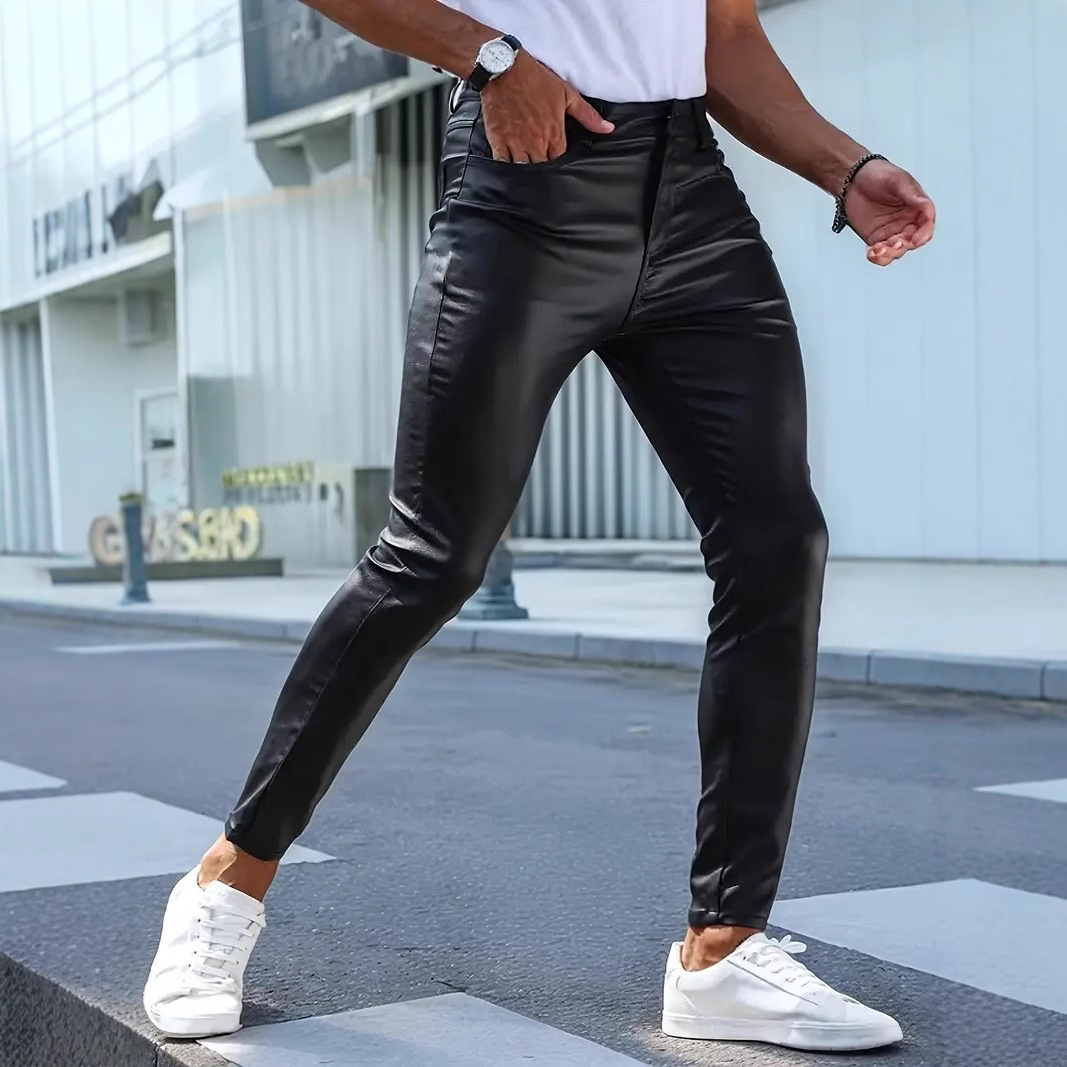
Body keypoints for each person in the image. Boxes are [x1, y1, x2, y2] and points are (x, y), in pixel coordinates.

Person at [144, 0, 936, 1052]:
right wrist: (489, 57)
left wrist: (843, 167)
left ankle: (723, 949)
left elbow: (724, 36)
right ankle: (224, 885)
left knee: (777, 543)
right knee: (431, 559)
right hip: (524, 186)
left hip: (693, 202)